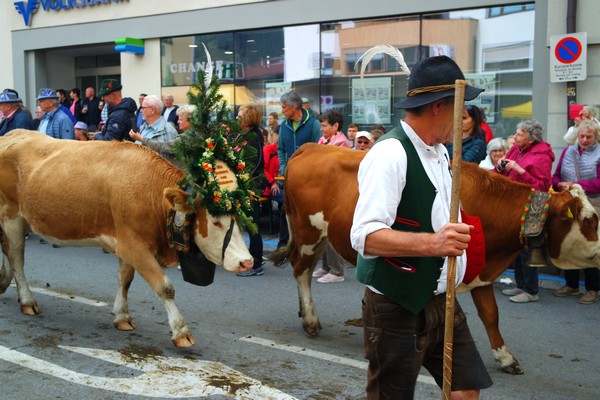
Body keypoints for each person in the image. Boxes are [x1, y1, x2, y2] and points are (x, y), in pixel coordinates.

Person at [350, 55, 492, 399]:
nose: (464, 118)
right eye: (460, 109)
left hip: (443, 301)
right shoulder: (390, 155)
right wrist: (434, 244)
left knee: (465, 392)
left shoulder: (441, 152)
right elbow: (364, 236)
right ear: (438, 107)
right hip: (397, 305)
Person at [497, 120, 555, 303]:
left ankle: (531, 290)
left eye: (519, 134)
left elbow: (542, 186)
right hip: (514, 204)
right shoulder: (516, 148)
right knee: (517, 247)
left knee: (528, 249)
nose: (514, 137)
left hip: (533, 206)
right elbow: (504, 173)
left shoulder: (543, 156)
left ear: (531, 140)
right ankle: (521, 285)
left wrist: (518, 169)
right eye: (516, 132)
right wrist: (500, 166)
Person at [552, 119, 600, 304]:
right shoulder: (568, 151)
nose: (584, 139)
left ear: (596, 136)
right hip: (569, 203)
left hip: (592, 203)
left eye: (589, 136)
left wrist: (577, 185)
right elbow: (556, 176)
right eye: (581, 136)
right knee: (569, 244)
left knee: (588, 246)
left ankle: (593, 288)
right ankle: (571, 285)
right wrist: (559, 184)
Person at [277, 91, 322, 249]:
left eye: (284, 107)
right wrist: (284, 167)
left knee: (306, 212)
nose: (282, 111)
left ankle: (305, 245)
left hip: (310, 178)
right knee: (285, 211)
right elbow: (280, 149)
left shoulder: (314, 124)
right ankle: (283, 246)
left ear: (293, 107)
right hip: (290, 177)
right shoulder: (284, 125)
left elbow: (320, 149)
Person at [312, 110, 349, 283]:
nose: (321, 129)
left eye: (324, 126)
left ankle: (337, 271)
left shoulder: (342, 143)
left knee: (333, 231)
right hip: (324, 191)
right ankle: (326, 266)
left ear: (336, 126)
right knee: (323, 230)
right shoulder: (323, 141)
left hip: (337, 193)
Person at [235, 104, 266, 277]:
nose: (237, 118)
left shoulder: (254, 137)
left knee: (252, 225)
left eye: (240, 115)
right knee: (246, 224)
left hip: (250, 186)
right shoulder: (242, 135)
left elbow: (252, 165)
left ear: (248, 118)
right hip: (241, 185)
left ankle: (256, 263)